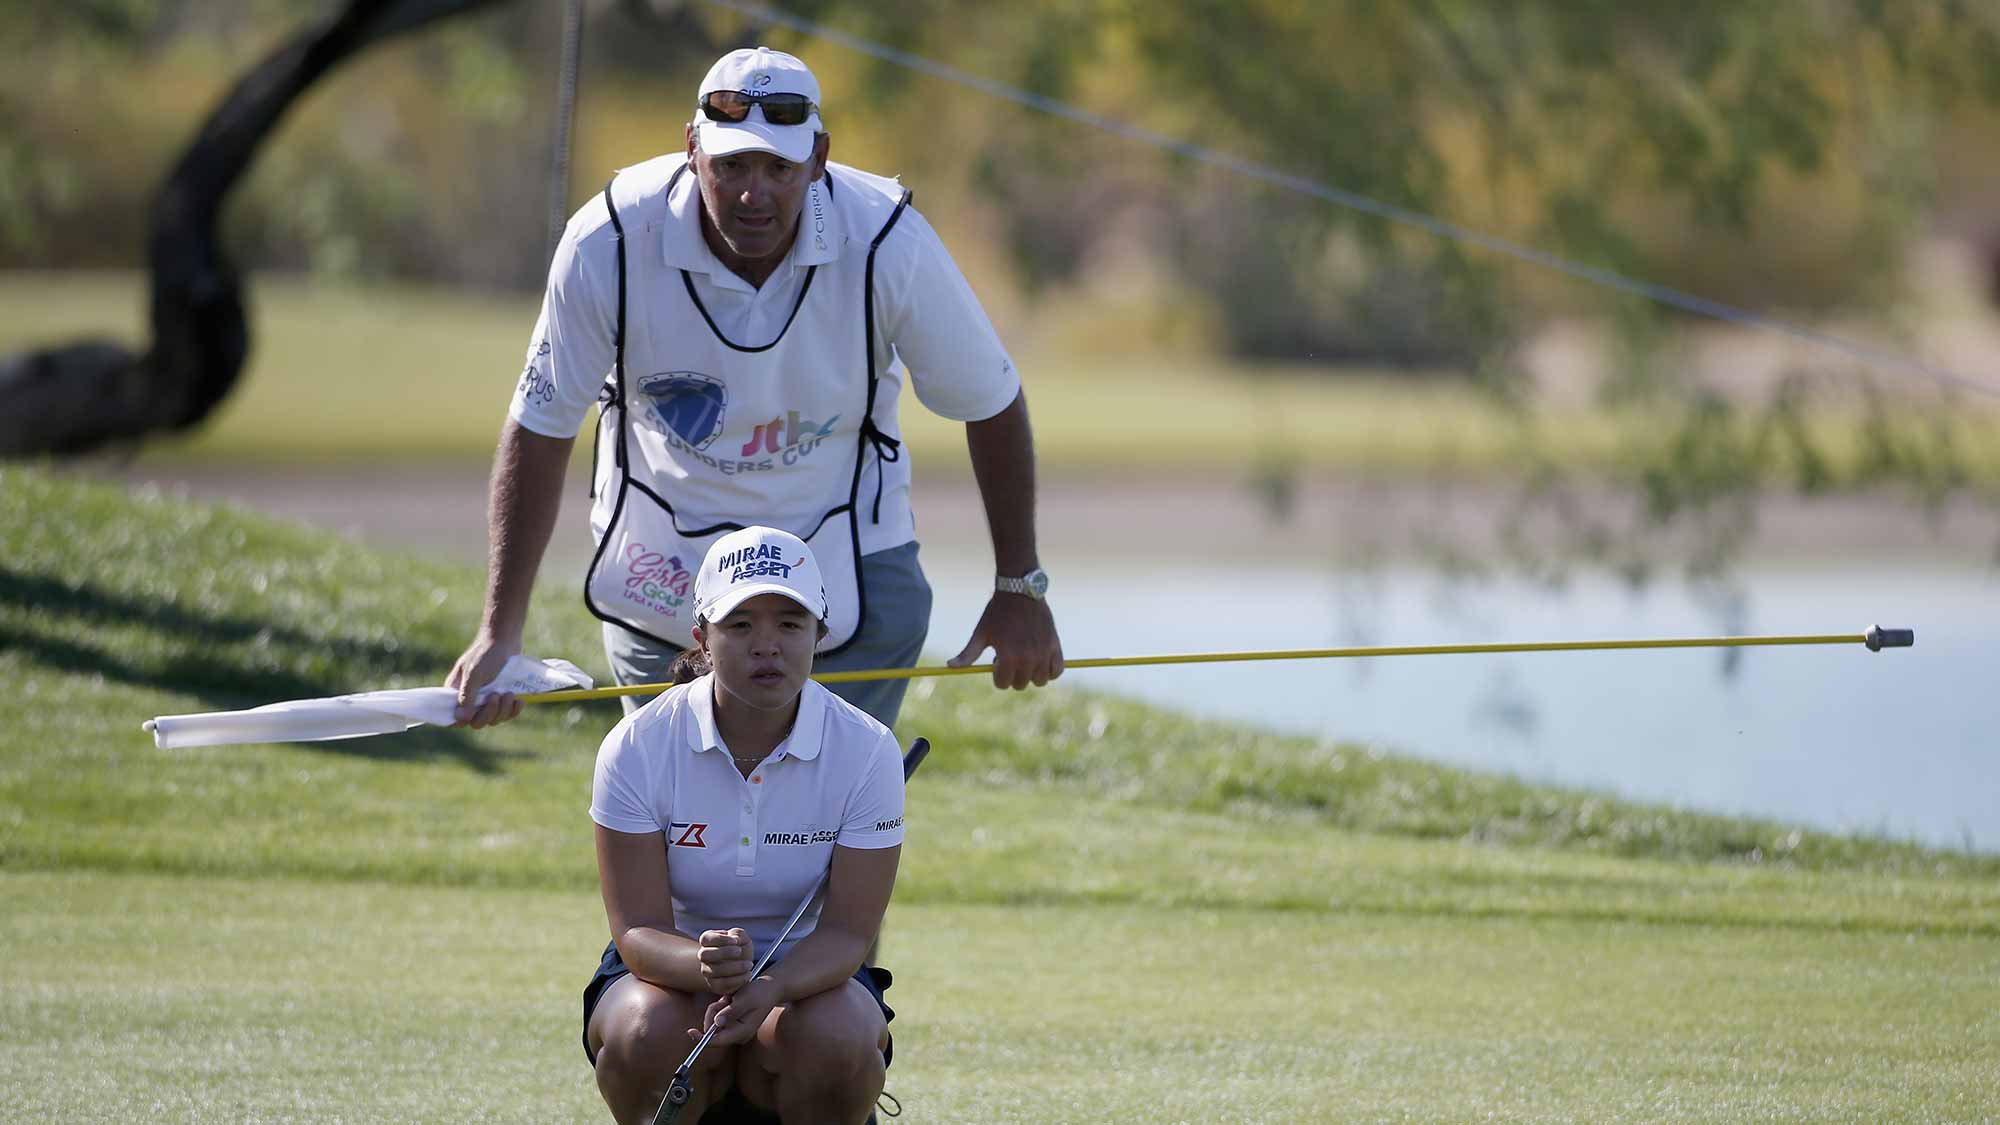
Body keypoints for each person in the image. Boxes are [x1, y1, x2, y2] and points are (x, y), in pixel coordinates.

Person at [449, 45, 1062, 731]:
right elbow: (543, 422)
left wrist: (1019, 585)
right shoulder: (609, 241)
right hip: (667, 572)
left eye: (779, 168)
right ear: (691, 150)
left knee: (822, 827)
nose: (753, 193)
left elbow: (991, 400)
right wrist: (500, 631)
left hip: (848, 564)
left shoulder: (888, 241)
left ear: (819, 158)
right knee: (681, 821)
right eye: (732, 165)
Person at [584, 526, 905, 1124]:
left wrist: (773, 987)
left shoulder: (867, 749)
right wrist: (703, 965)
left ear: (819, 635)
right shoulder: (637, 744)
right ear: (702, 637)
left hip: (811, 980)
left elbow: (848, 933)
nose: (767, 646)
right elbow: (639, 931)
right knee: (642, 1032)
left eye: (789, 623)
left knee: (839, 1037)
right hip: (667, 975)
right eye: (740, 626)